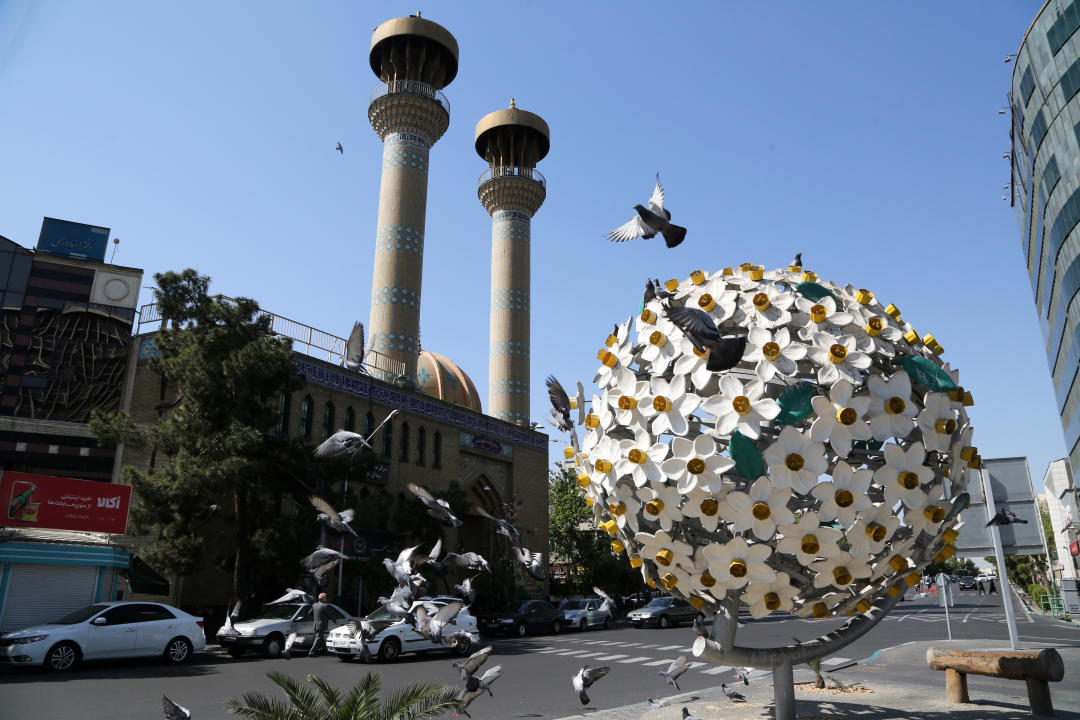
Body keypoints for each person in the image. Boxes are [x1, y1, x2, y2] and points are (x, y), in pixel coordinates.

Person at [308, 593, 329, 657]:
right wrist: (335, 621)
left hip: (316, 624)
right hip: (321, 625)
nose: (326, 599)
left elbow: (309, 613)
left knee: (321, 638)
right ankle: (311, 652)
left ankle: (326, 651)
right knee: (318, 638)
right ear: (322, 598)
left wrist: (316, 617)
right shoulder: (324, 606)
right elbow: (329, 615)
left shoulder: (314, 605)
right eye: (325, 597)